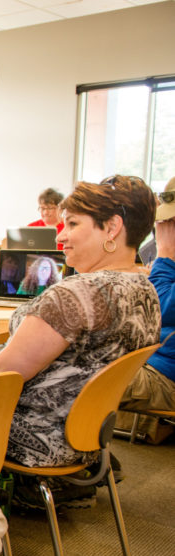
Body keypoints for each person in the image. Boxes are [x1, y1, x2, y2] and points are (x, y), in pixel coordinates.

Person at [0, 175, 161, 508]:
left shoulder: (76, 295)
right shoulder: (146, 289)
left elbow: (0, 373)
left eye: (73, 224)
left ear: (112, 228)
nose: (60, 235)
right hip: (87, 436)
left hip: (33, 437)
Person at [119, 176, 175, 439]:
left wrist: (164, 254)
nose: (163, 229)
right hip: (148, 362)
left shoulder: (166, 254)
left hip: (164, 377)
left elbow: (154, 311)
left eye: (169, 224)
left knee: (77, 375)